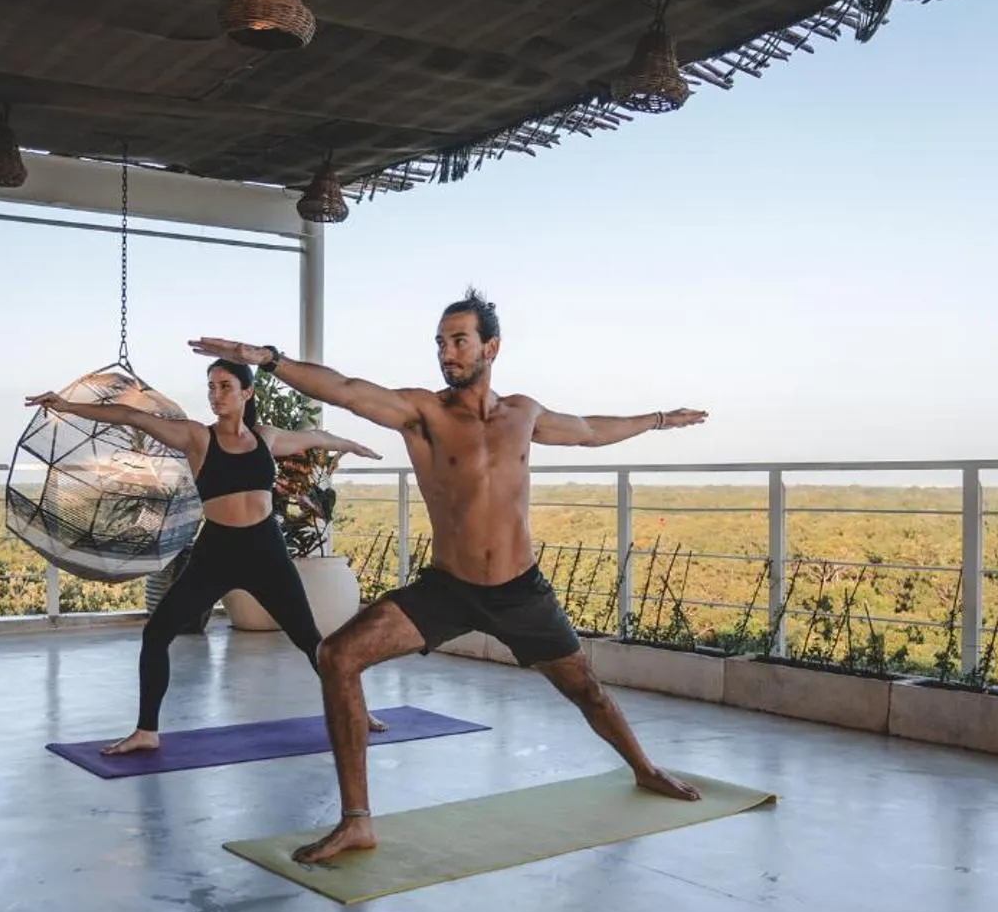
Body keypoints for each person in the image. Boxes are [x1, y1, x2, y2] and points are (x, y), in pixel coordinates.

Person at [191, 289, 707, 864]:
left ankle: (644, 768)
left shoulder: (523, 413)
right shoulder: (423, 413)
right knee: (338, 656)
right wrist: (269, 360)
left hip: (520, 590)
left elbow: (588, 428)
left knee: (584, 688)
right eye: (440, 343)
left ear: (491, 347)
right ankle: (357, 822)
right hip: (448, 589)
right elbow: (347, 390)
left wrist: (659, 419)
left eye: (459, 341)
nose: (447, 353)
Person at [25, 359, 383, 755]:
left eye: (225, 386)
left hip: (266, 551)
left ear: (248, 393)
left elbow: (314, 436)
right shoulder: (198, 438)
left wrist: (350, 445)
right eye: (211, 386)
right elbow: (131, 416)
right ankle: (146, 730)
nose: (215, 395)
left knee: (310, 640)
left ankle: (358, 713)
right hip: (218, 551)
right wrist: (67, 405)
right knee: (157, 633)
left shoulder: (267, 437)